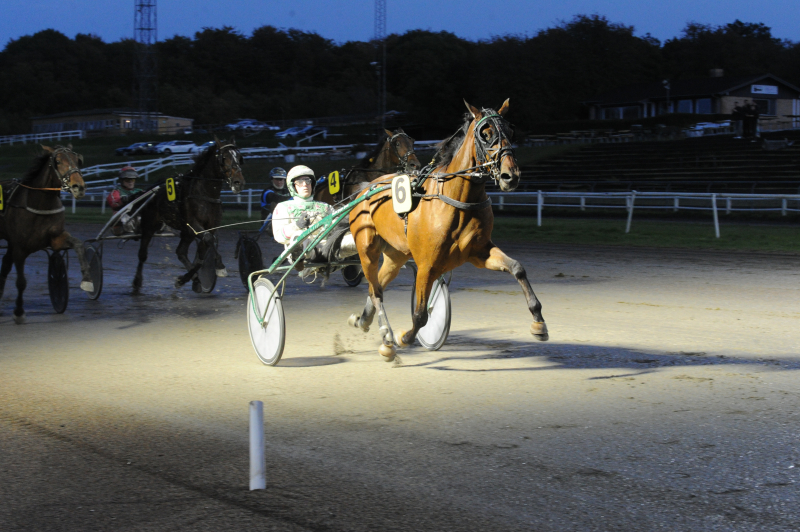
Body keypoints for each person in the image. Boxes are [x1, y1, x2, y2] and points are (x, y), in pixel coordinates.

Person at [272, 165, 357, 270]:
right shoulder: (283, 207)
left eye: (308, 181)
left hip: (329, 247)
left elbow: (337, 228)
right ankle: (298, 258)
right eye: (300, 182)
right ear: (293, 186)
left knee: (358, 236)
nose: (305, 185)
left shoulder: (325, 206)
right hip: (306, 248)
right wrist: (296, 225)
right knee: (298, 236)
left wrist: (349, 223)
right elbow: (279, 236)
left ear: (312, 183)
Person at [106, 166, 144, 235]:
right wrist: (124, 200)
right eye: (127, 180)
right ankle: (129, 230)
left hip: (137, 218)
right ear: (122, 181)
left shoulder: (139, 191)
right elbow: (114, 203)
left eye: (132, 180)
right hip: (120, 224)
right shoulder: (116, 192)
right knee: (125, 215)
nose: (130, 183)